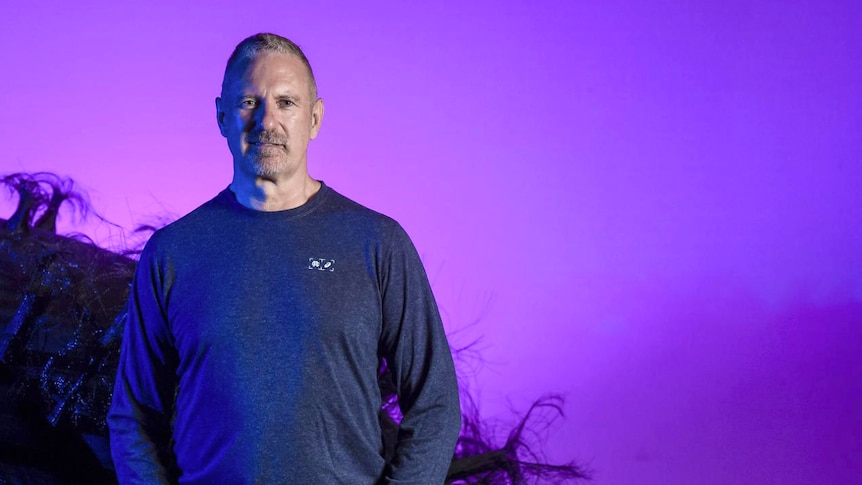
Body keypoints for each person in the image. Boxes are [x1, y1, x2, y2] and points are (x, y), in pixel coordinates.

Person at [107, 33, 461, 484]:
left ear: (314, 118)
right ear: (220, 116)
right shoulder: (173, 253)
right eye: (249, 102)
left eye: (287, 103)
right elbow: (133, 417)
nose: (266, 121)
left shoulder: (378, 244)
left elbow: (436, 406)